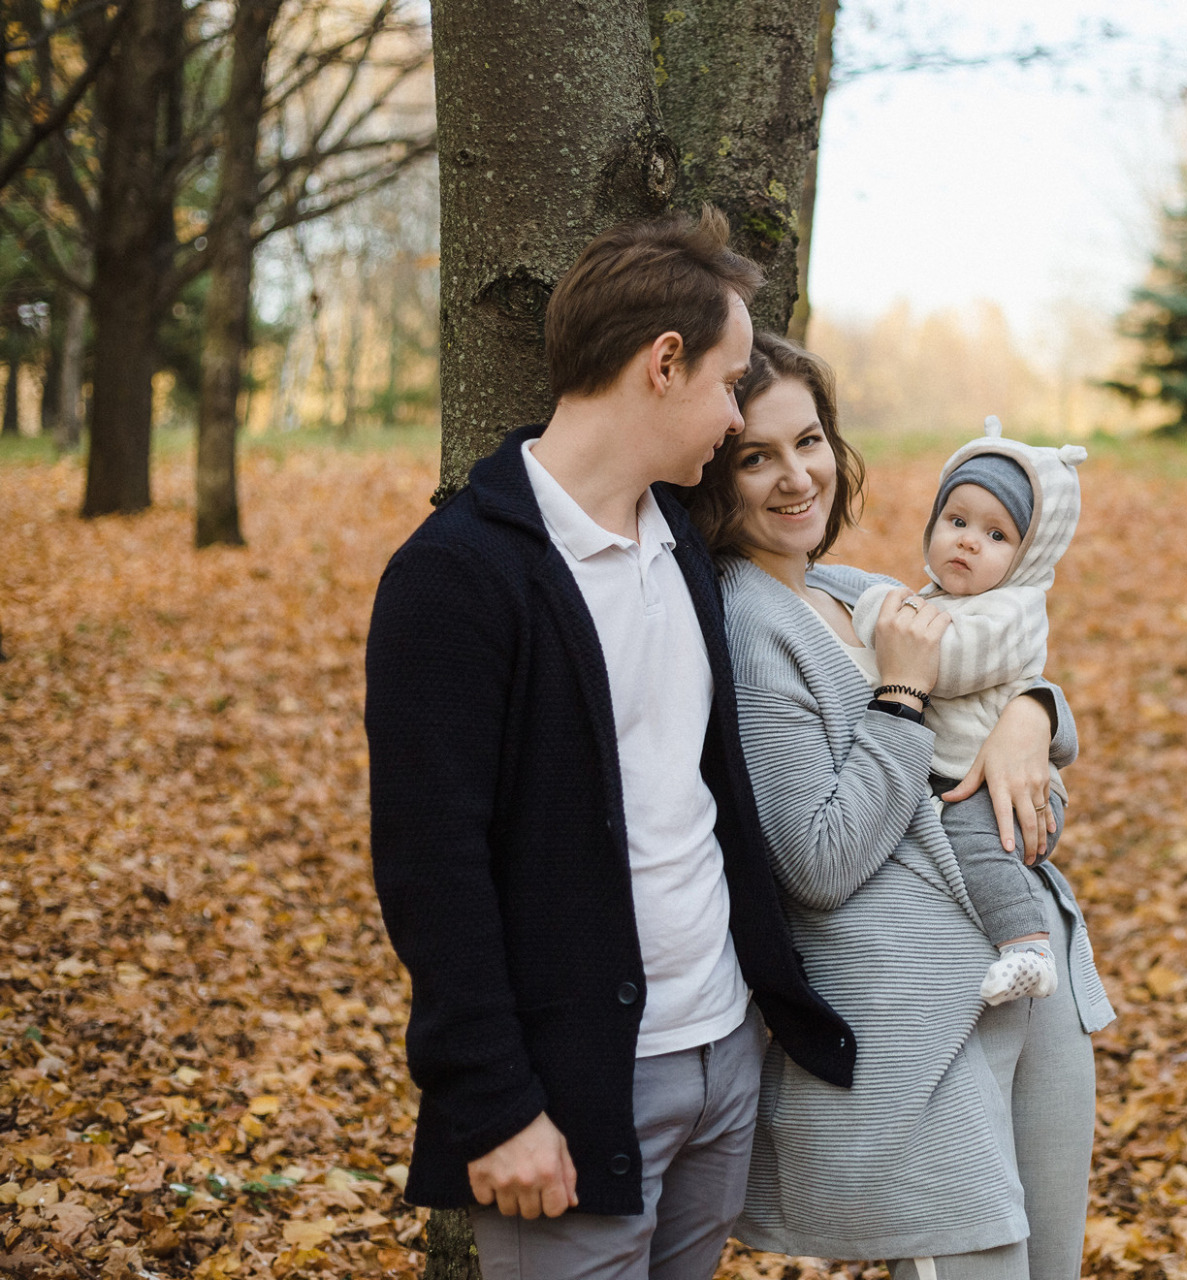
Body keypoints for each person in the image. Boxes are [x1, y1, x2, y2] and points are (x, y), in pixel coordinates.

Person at [363, 209, 853, 1280]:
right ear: (662, 363)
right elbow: (428, 864)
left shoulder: (680, 537)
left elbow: (834, 602)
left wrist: (1025, 703)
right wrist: (493, 1104)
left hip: (723, 1050)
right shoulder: (456, 579)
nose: (735, 419)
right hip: (577, 1082)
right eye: (730, 385)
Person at [683, 332, 1116, 1280]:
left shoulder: (858, 591)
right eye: (757, 456)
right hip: (917, 1024)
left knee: (1055, 1267)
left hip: (1032, 976)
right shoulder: (752, 628)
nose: (798, 477)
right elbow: (820, 861)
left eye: (810, 441)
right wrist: (901, 699)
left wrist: (1032, 722)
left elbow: (1008, 697)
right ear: (715, 471)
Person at [849, 416, 1089, 1007]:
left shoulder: (1014, 612)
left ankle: (1027, 948)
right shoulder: (938, 599)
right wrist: (890, 606)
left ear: (1028, 556)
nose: (968, 541)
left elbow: (942, 663)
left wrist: (881, 610)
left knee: (973, 840)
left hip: (1012, 794)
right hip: (965, 777)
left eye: (996, 535)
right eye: (956, 522)